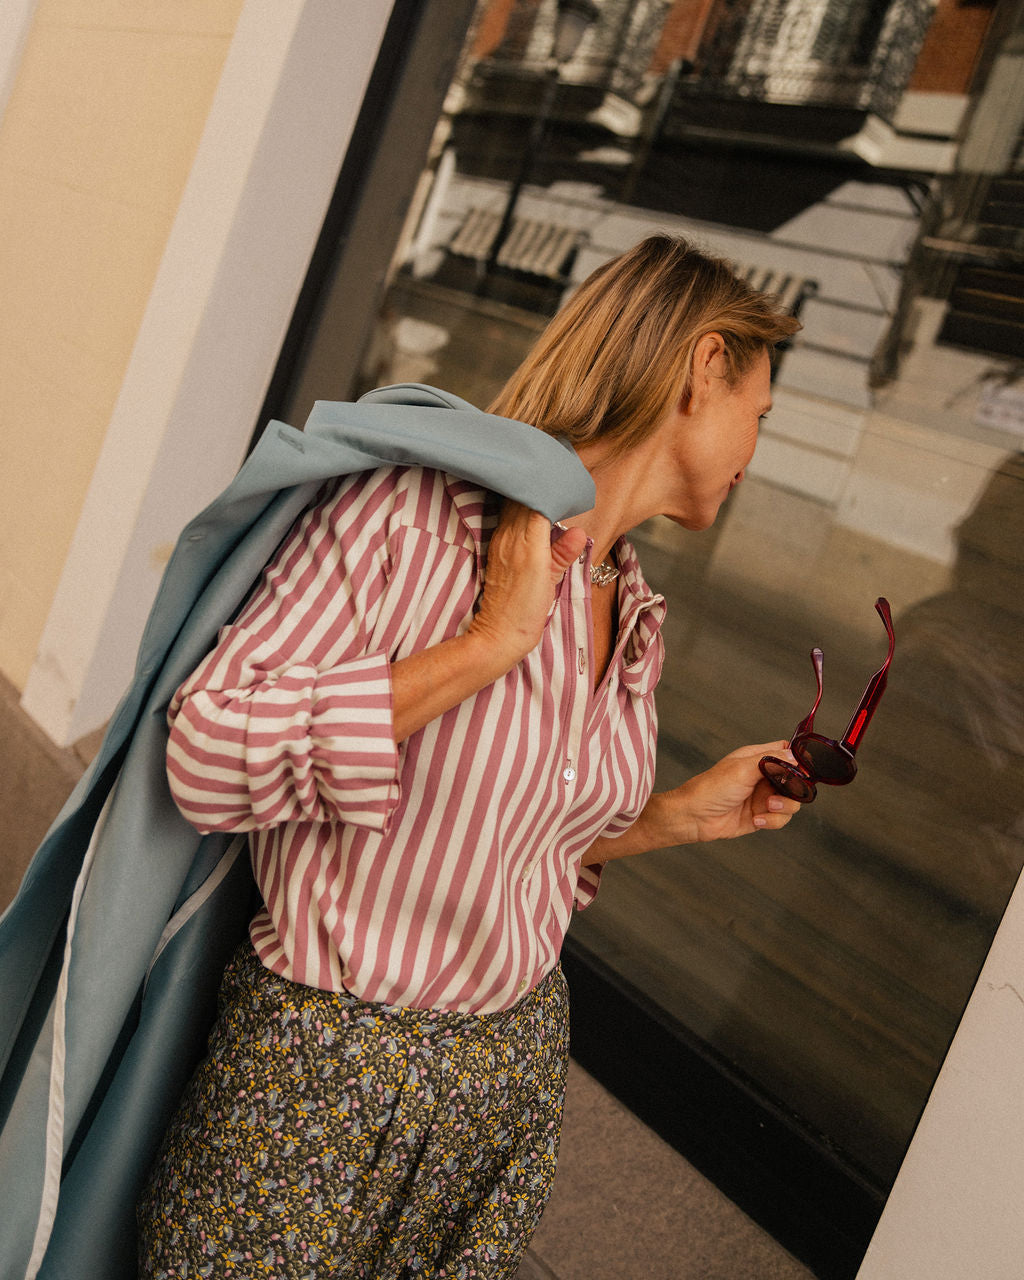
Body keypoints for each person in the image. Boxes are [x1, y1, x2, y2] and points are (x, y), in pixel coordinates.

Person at [136, 234, 802, 1278]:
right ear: (703, 365)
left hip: (506, 1094)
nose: (756, 448)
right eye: (758, 414)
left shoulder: (629, 607)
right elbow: (208, 752)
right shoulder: (411, 517)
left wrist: (676, 815)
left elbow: (497, 844)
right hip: (321, 1088)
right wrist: (487, 646)